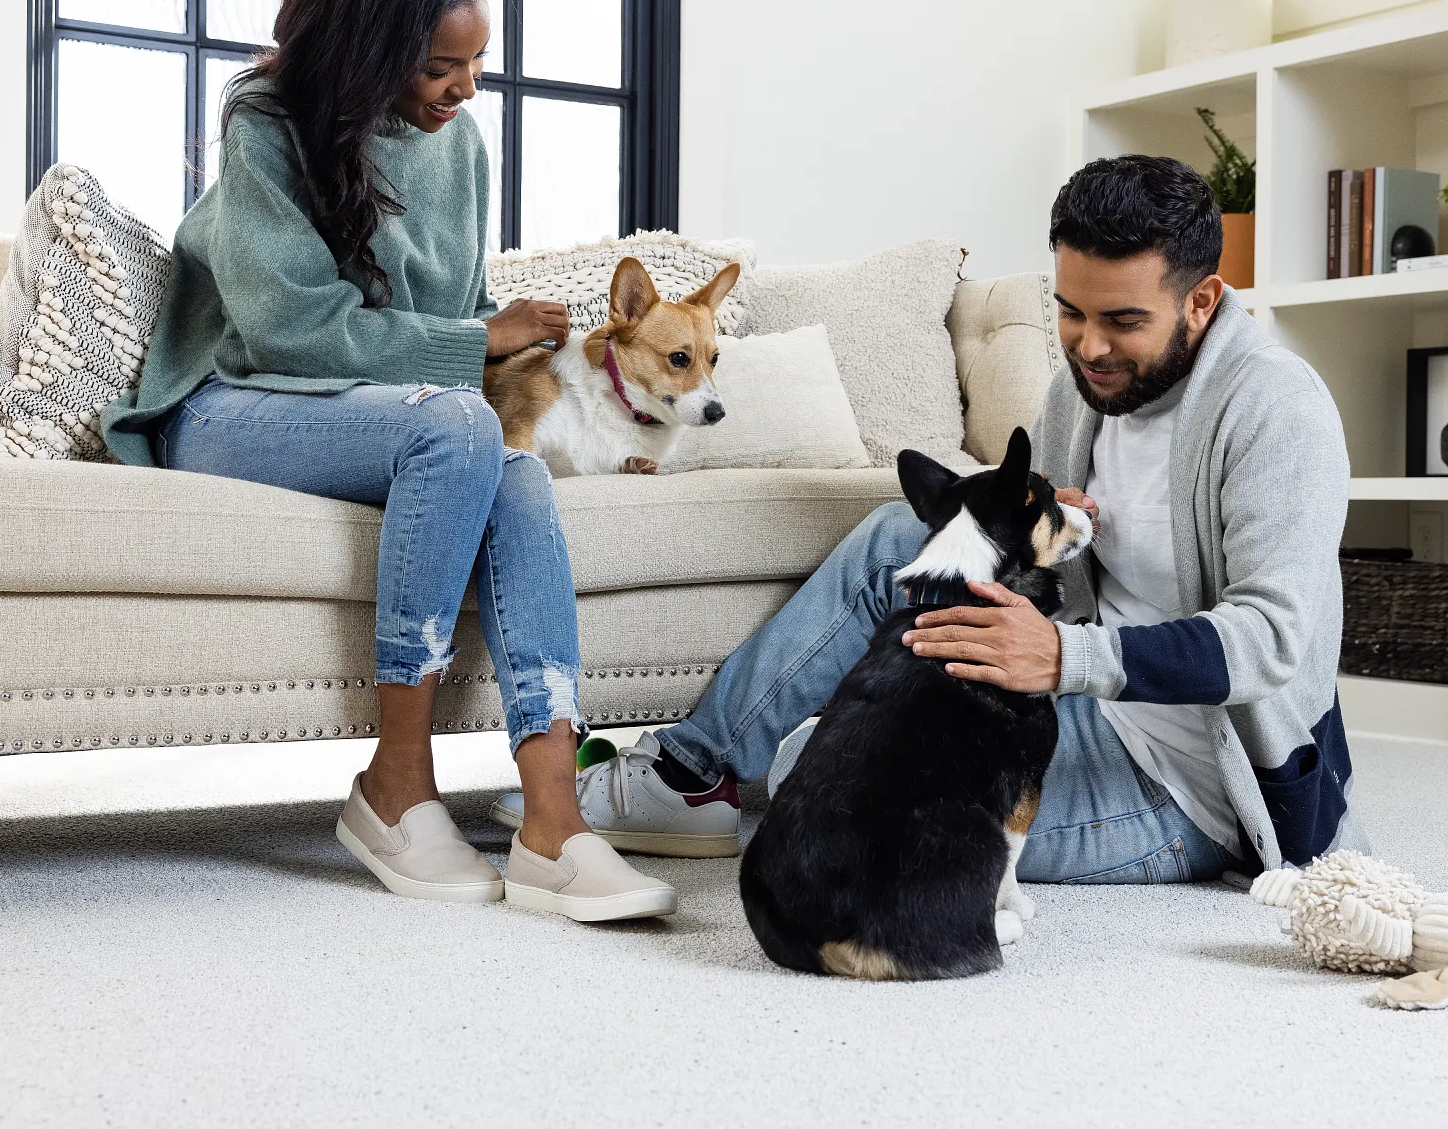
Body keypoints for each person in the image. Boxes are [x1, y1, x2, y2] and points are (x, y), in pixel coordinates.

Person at [495, 154, 1365, 880]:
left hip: (1187, 779)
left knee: (831, 786)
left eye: (1123, 320)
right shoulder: (1088, 390)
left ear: (1203, 302)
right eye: (1069, 311)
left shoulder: (1275, 410)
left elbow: (1274, 638)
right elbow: (1060, 567)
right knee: (892, 548)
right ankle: (693, 772)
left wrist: (1065, 655)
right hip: (1067, 704)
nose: (1089, 346)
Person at [99, 0, 676, 922]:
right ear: (365, 49)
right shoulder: (265, 126)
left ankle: (552, 815)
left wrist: (485, 343)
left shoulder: (460, 149)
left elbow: (441, 336)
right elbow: (289, 333)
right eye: (437, 68)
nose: (462, 90)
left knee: (516, 466)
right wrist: (481, 340)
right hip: (232, 401)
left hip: (377, 411)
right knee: (461, 426)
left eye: (476, 66)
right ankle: (395, 781)